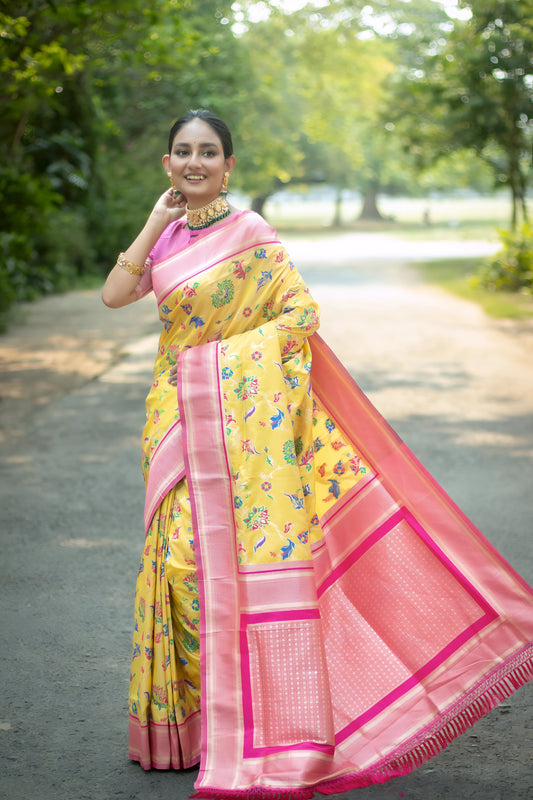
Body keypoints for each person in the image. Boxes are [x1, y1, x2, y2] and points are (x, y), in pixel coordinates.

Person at [102, 109, 533, 799]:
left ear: (228, 165)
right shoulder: (168, 237)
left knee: (226, 567)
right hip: (175, 420)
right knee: (179, 564)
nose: (194, 162)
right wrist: (154, 223)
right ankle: (191, 724)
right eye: (182, 151)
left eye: (208, 152)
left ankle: (243, 725)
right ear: (166, 163)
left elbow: (299, 315)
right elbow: (114, 295)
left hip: (241, 424)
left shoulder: (251, 235)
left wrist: (221, 363)